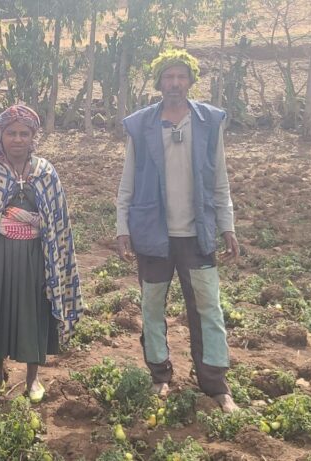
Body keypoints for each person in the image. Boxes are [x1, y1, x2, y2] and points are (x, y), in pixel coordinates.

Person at [115, 49, 240, 412]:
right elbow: (127, 180)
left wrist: (227, 225)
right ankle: (160, 375)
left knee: (208, 308)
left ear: (190, 81)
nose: (174, 83)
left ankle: (216, 384)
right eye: (168, 77)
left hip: (197, 234)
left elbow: (220, 179)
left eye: (181, 76)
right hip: (153, 234)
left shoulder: (208, 122)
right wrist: (122, 227)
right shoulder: (142, 126)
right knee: (152, 305)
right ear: (159, 83)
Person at [0, 104, 82, 404]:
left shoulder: (46, 172)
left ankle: (32, 379)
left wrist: (42, 235)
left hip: (36, 258)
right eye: (11, 133)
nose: (17, 139)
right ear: (0, 136)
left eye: (24, 133)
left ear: (33, 137)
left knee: (34, 315)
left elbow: (58, 221)